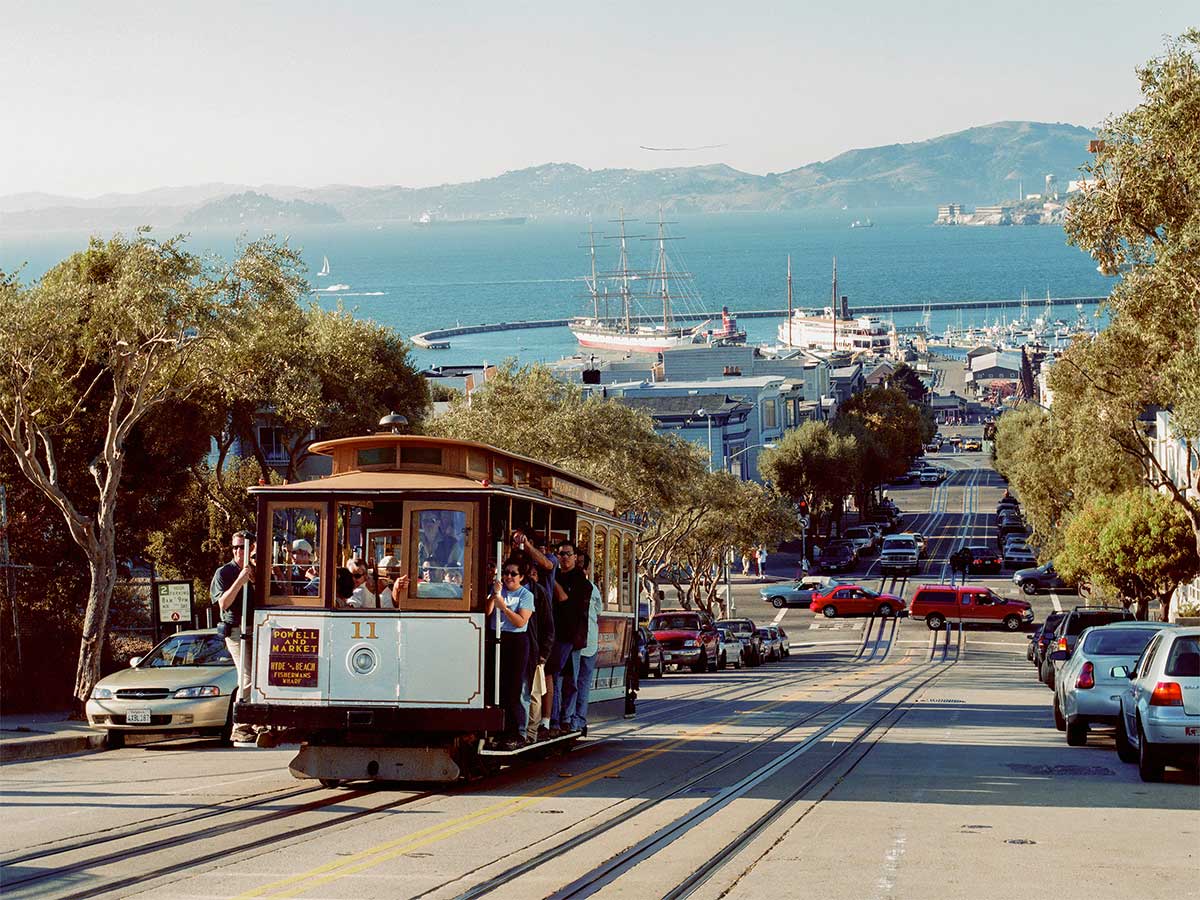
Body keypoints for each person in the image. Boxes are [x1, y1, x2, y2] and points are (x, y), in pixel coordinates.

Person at [210, 530, 257, 744]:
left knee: (260, 676)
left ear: (252, 548)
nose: (239, 551)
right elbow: (223, 603)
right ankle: (240, 725)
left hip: (258, 627)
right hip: (236, 630)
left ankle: (257, 721)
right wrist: (240, 580)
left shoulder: (259, 570)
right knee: (246, 676)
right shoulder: (224, 573)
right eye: (235, 547)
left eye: (243, 547)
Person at [485, 560, 534, 750]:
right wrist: (493, 596)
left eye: (514, 574)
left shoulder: (525, 595)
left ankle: (516, 732)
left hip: (516, 642)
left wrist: (504, 608)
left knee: (513, 688)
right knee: (496, 685)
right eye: (506, 573)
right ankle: (498, 730)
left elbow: (521, 622)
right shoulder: (497, 590)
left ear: (521, 577)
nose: (509, 577)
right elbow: (487, 612)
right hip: (497, 639)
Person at [547, 540, 592, 735]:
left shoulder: (580, 581)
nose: (564, 557)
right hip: (553, 635)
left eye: (567, 554)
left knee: (570, 681)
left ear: (575, 557)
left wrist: (550, 578)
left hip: (571, 637)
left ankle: (567, 718)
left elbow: (564, 598)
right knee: (554, 678)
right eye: (560, 554)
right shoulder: (554, 574)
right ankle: (555, 720)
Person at [563, 552, 602, 736]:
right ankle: (576, 720)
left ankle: (574, 720)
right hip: (586, 641)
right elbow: (598, 611)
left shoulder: (585, 587)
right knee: (579, 683)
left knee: (576, 682)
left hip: (582, 642)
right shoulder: (592, 588)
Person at [521, 558, 555, 743]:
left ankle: (530, 733)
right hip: (517, 649)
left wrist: (544, 653)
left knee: (533, 692)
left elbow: (548, 627)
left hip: (534, 649)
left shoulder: (537, 593)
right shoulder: (505, 592)